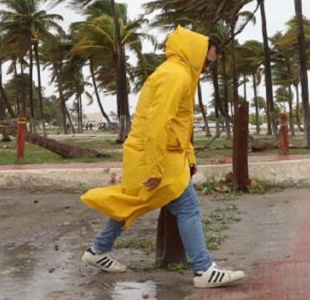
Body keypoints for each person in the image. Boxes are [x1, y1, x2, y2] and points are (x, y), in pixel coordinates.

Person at [80, 26, 246, 289]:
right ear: (196, 53)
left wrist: (189, 159)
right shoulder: (176, 76)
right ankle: (203, 269)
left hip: (157, 153)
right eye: (207, 61)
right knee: (187, 207)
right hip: (154, 155)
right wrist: (156, 168)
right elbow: (158, 124)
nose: (207, 68)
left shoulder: (178, 74)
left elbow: (180, 123)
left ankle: (98, 250)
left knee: (133, 203)